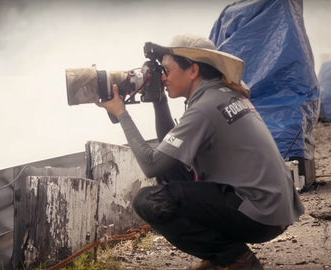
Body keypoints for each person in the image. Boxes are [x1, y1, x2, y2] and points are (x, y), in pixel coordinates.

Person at [97, 35, 304, 270]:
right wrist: (158, 101)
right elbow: (169, 155)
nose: (163, 77)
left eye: (167, 70)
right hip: (274, 208)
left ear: (193, 70)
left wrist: (122, 113)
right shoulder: (220, 94)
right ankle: (221, 254)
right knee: (170, 172)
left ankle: (234, 257)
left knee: (148, 200)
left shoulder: (204, 108)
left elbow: (151, 164)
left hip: (260, 214)